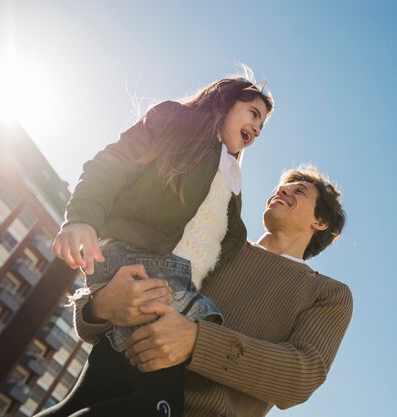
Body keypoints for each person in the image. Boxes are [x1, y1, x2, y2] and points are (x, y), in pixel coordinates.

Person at [38, 72, 274, 417]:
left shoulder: (231, 184)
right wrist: (81, 218)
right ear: (226, 100)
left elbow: (227, 243)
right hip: (143, 266)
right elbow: (112, 162)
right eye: (253, 113)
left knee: (89, 400)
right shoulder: (177, 120)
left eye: (262, 126)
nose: (256, 129)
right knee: (157, 408)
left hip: (171, 279)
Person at [71, 165, 353, 417]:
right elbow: (121, 279)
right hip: (103, 399)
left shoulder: (328, 294)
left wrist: (197, 341)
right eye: (282, 186)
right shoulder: (213, 242)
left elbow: (299, 377)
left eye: (299, 191)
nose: (281, 190)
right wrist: (97, 306)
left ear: (321, 221)